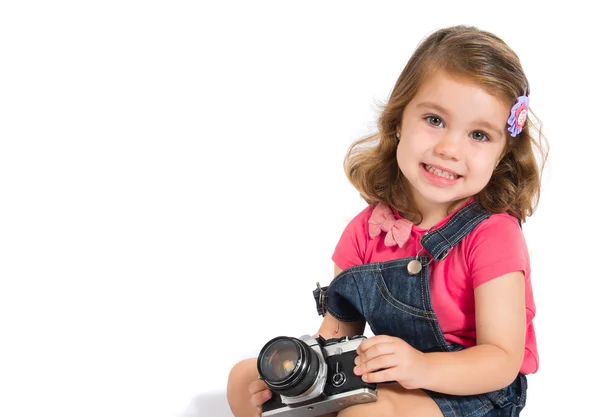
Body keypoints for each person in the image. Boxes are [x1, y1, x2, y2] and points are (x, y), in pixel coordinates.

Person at [226, 24, 548, 417]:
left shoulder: (493, 234)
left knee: (368, 413)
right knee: (246, 378)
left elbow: (501, 360)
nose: (449, 149)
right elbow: (336, 337)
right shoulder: (364, 232)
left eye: (479, 135)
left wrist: (422, 367)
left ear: (501, 154)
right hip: (396, 381)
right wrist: (296, 377)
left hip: (478, 390)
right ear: (399, 119)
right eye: (434, 120)